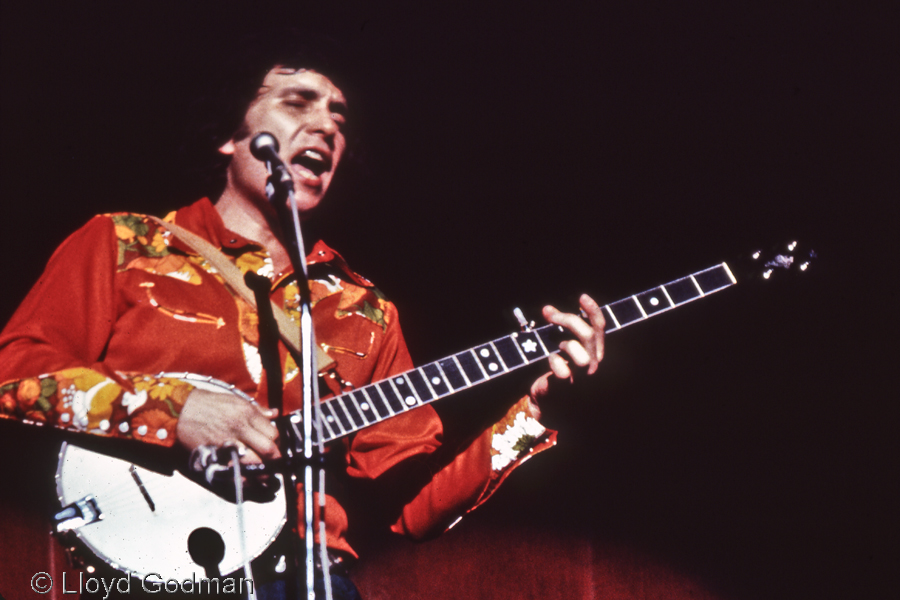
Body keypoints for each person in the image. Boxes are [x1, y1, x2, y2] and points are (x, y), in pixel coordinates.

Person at [0, 47, 605, 599]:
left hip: (311, 580)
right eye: (296, 103)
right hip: (143, 574)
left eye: (340, 119)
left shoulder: (364, 310)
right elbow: (12, 377)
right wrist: (172, 409)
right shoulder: (125, 244)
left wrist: (538, 414)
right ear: (229, 138)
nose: (325, 127)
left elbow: (415, 509)